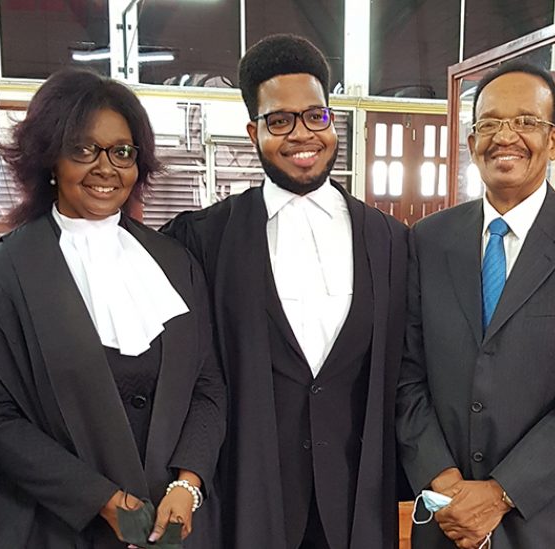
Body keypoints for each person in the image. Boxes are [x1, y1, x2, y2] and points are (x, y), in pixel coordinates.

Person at [0, 68, 226, 549]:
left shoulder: (174, 262)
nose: (106, 168)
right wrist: (101, 500)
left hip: (174, 528)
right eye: (83, 150)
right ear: (50, 159)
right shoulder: (3, 274)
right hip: (63, 528)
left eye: (122, 151)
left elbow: (207, 387)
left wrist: (188, 483)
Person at [162, 34, 407, 549]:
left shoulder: (388, 239)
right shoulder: (204, 240)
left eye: (315, 116)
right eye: (280, 121)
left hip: (356, 496)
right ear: (254, 131)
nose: (302, 135)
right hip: (249, 492)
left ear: (332, 119)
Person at [396, 60, 555, 549]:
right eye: (489, 124)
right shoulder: (427, 240)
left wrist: (501, 493)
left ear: (553, 141)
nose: (505, 136)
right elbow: (406, 375)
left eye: (526, 122)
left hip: (549, 521)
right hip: (446, 522)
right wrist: (445, 482)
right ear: (471, 144)